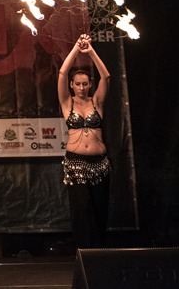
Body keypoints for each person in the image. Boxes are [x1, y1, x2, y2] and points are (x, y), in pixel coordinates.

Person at [58, 34, 111, 249]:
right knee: (81, 210)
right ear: (71, 85)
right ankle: (84, 252)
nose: (81, 87)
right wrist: (75, 49)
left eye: (85, 84)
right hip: (75, 163)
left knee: (99, 209)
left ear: (90, 85)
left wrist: (90, 52)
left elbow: (106, 76)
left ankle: (99, 253)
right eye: (78, 84)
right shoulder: (66, 102)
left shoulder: (96, 102)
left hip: (100, 164)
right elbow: (62, 73)